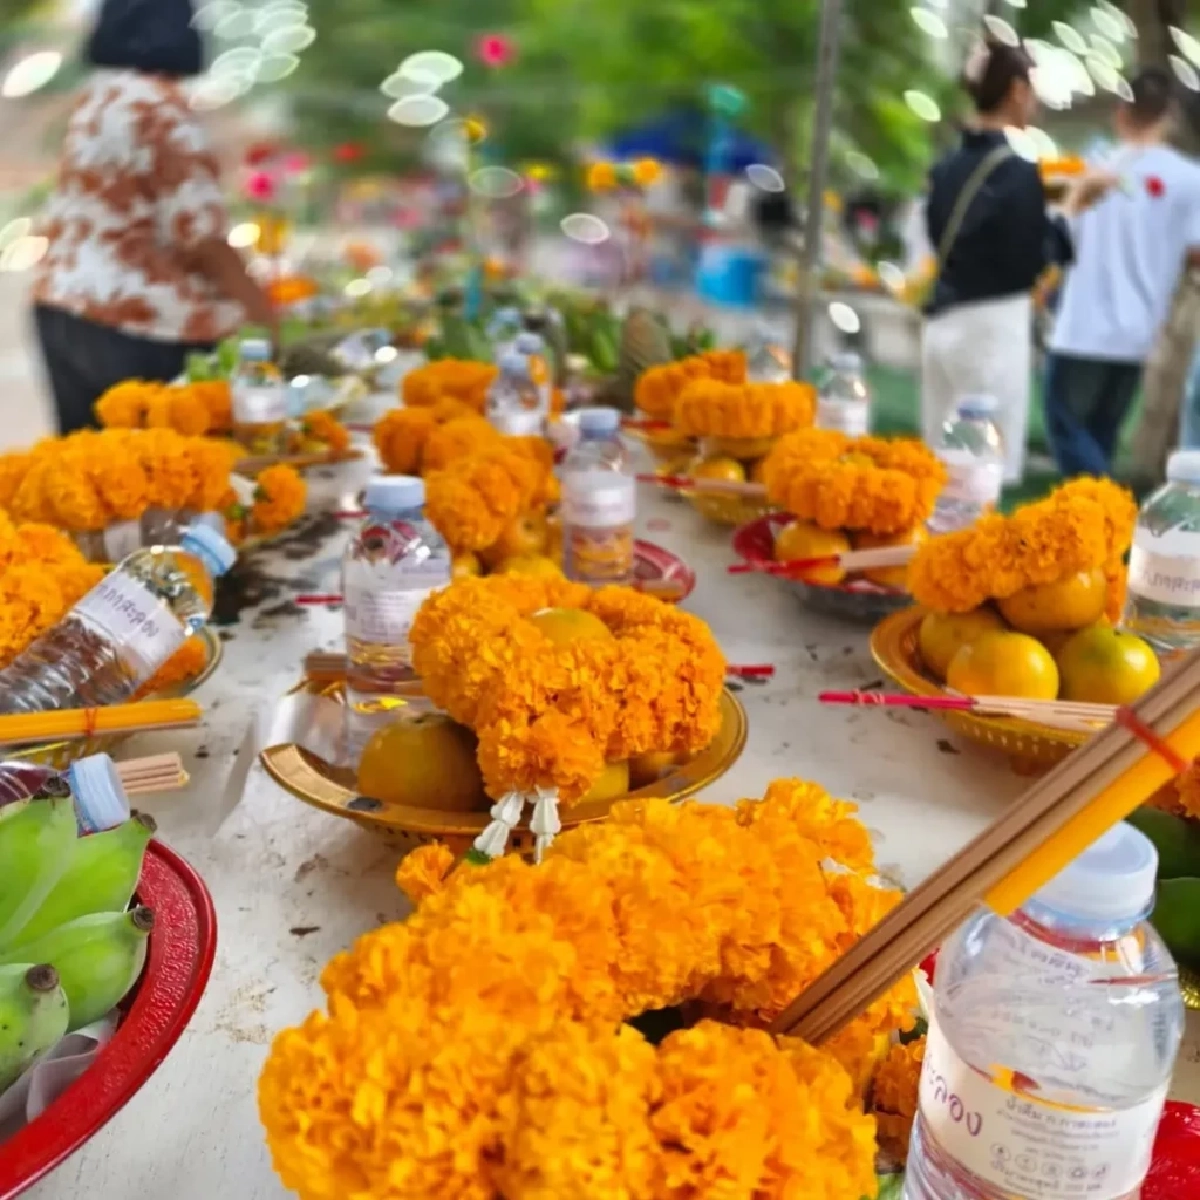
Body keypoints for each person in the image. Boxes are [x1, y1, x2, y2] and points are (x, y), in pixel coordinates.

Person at [31, 0, 277, 434]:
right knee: (160, 478)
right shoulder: (161, 110)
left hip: (62, 309)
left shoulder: (99, 101)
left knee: (92, 472)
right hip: (135, 322)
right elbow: (200, 237)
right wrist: (265, 317)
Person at [922, 40, 1109, 484]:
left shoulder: (947, 165)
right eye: (1034, 89)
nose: (1037, 101)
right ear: (1016, 90)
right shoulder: (1017, 172)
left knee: (937, 469)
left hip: (941, 324)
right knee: (982, 475)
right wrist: (1074, 205)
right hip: (990, 330)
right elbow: (1033, 258)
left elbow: (941, 236)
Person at [1046, 67, 1200, 478]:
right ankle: (1101, 523)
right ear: (1170, 115)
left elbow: (1060, 239)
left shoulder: (1089, 171)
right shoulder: (1189, 180)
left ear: (1121, 112)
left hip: (1081, 328)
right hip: (1139, 331)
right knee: (1101, 433)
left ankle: (1106, 512)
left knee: (1067, 427)